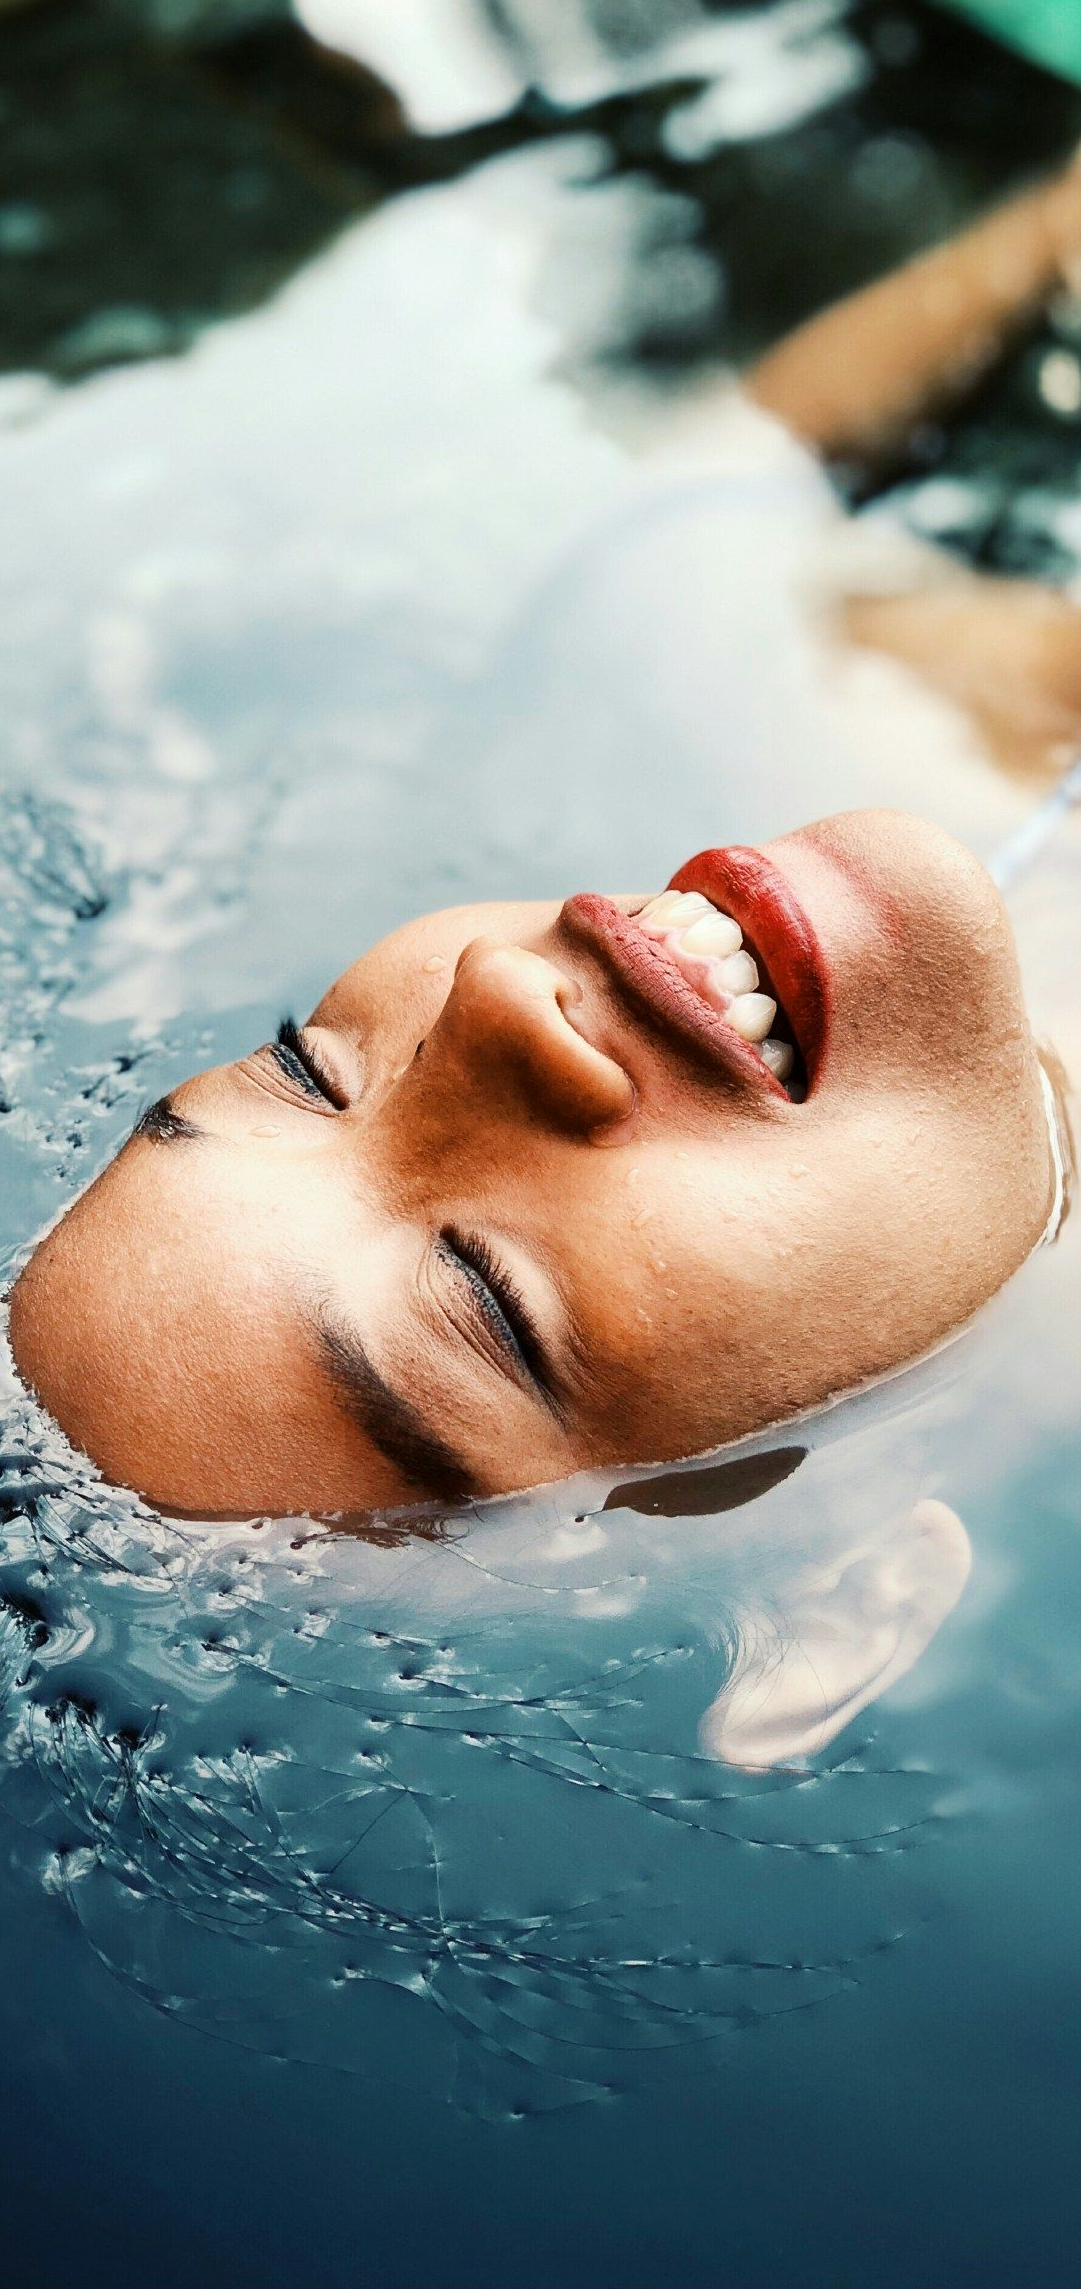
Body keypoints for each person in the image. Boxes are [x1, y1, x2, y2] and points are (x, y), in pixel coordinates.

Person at [9, 160, 1081, 1521]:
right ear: (848, 1590)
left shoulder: (755, 695)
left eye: (307, 1074)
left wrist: (1048, 220)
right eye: (487, 1307)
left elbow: (727, 485)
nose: (497, 995)